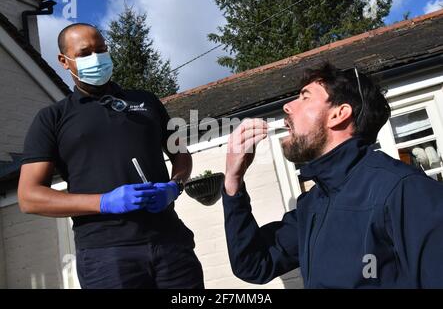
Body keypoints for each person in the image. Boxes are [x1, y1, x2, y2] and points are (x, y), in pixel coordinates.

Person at [222, 63, 443, 288]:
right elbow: (255, 264)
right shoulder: (314, 202)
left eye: (304, 97)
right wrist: (233, 181)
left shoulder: (405, 191)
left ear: (339, 114)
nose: (287, 106)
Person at [17, 23, 204, 289]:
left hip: (171, 243)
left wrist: (175, 186)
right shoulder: (52, 119)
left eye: (101, 50)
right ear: (64, 61)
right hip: (106, 255)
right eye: (84, 53)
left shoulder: (146, 102)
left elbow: (181, 155)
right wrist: (104, 202)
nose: (96, 58)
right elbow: (28, 197)